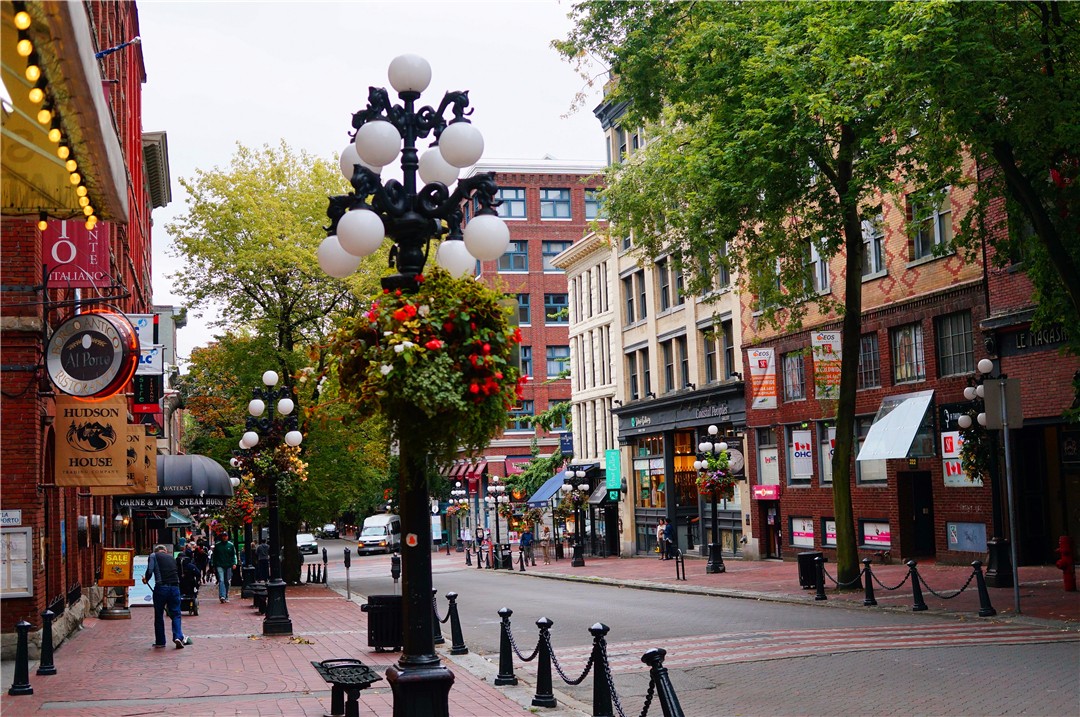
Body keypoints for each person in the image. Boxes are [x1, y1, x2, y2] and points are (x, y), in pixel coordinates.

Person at [142, 545, 191, 649]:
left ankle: (160, 641)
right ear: (165, 551)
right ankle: (178, 636)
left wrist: (146, 578)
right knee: (176, 614)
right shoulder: (172, 558)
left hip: (161, 587)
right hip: (175, 588)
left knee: (159, 614)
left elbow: (150, 570)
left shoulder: (153, 555)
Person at [211, 533, 238, 603]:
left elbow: (233, 555)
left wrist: (234, 563)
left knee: (227, 581)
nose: (224, 537)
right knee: (221, 580)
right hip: (220, 565)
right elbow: (214, 556)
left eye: (226, 536)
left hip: (228, 565)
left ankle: (225, 595)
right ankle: (222, 595)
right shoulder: (218, 545)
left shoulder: (230, 545)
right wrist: (214, 565)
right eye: (223, 536)